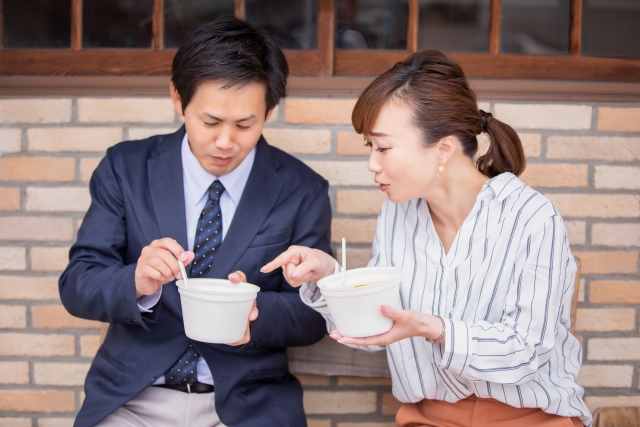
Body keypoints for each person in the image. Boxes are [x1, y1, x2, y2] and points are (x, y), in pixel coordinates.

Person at [263, 49, 591, 427]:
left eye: (383, 147)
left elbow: (527, 351)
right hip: (428, 418)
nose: (372, 163)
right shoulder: (397, 211)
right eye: (369, 147)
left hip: (532, 418)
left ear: (443, 149)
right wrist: (329, 277)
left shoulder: (531, 217)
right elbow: (374, 328)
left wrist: (433, 329)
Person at [59, 17, 330, 427]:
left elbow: (314, 316)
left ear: (269, 111)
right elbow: (77, 284)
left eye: (245, 125)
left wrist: (254, 311)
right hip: (133, 399)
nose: (225, 142)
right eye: (210, 122)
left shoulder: (302, 189)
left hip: (247, 401)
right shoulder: (126, 169)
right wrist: (137, 280)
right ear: (176, 98)